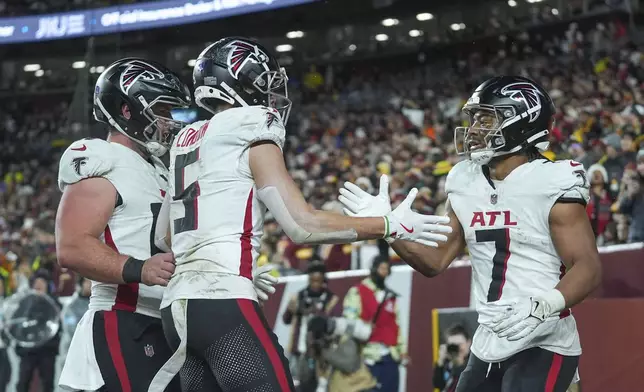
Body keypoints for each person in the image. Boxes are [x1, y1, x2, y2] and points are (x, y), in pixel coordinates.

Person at [149, 36, 450, 392]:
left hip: (177, 310)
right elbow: (302, 226)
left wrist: (223, 260)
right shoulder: (251, 131)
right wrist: (387, 225)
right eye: (266, 83)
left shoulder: (186, 141)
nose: (272, 94)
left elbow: (163, 237)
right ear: (241, 82)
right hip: (221, 302)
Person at [339, 75, 603, 392]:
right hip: (488, 339)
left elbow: (588, 267)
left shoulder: (552, 180)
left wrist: (543, 306)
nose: (475, 129)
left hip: (544, 337)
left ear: (521, 121)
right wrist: (390, 230)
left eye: (487, 118)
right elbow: (435, 261)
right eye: (475, 118)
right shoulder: (465, 181)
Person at [55, 58, 192, 392]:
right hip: (122, 320)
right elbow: (71, 246)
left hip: (163, 326)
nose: (169, 121)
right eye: (162, 109)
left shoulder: (159, 170)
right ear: (127, 110)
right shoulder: (104, 158)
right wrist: (138, 268)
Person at [342, 256, 408, 392]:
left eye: (387, 269)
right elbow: (349, 320)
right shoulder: (357, 291)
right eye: (381, 268)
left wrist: (402, 351)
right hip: (367, 355)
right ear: (373, 269)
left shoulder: (390, 296)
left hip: (390, 356)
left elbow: (396, 325)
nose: (384, 272)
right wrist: (363, 326)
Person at [15, 270, 61, 392]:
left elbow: (58, 327)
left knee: (47, 384)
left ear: (48, 285)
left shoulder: (55, 304)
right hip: (28, 350)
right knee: (22, 383)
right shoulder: (25, 302)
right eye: (36, 282)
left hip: (47, 350)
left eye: (42, 282)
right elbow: (17, 323)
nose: (39, 285)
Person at [433, 324, 471, 392]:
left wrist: (459, 362)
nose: (457, 349)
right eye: (452, 346)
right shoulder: (448, 363)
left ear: (468, 343)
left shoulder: (475, 362)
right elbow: (438, 384)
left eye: (459, 344)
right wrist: (440, 361)